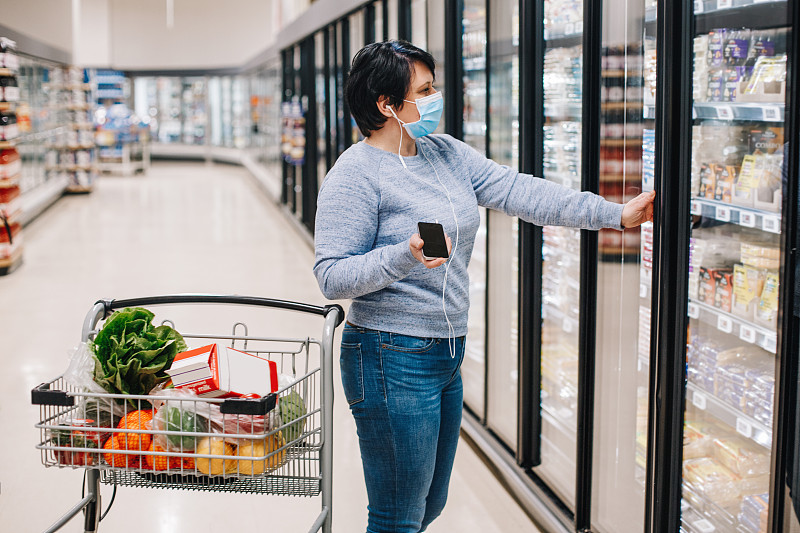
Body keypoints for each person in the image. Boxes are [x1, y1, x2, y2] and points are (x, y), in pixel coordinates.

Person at [312, 40, 655, 533]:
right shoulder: (354, 176)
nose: (436, 98)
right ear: (387, 105)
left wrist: (614, 214)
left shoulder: (444, 153)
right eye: (425, 90)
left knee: (429, 503)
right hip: (390, 356)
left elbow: (520, 191)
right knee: (398, 517)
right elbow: (331, 275)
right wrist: (403, 256)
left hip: (446, 351)